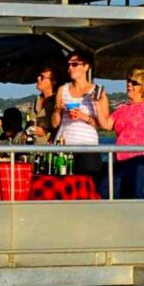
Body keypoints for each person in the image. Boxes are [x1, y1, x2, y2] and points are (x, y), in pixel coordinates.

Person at [96, 68, 144, 199]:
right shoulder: (122, 109)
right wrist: (98, 103)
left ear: (143, 87)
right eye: (128, 81)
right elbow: (106, 124)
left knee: (138, 194)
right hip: (120, 161)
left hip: (139, 159)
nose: (129, 85)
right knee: (104, 190)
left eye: (134, 83)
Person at [50, 49, 109, 185]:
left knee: (87, 188)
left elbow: (104, 124)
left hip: (87, 147)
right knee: (62, 187)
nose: (70, 68)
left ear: (86, 67)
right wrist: (57, 110)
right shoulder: (62, 90)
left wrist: (84, 117)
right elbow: (54, 124)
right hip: (64, 147)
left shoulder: (97, 91)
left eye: (75, 64)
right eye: (69, 65)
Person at [29, 65, 59, 143]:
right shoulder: (36, 101)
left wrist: (46, 132)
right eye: (38, 76)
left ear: (53, 82)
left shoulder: (57, 101)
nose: (38, 78)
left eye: (42, 77)